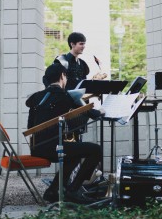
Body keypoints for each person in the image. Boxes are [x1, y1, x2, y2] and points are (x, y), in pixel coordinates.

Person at [27, 63, 104, 204]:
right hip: (52, 148)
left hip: (36, 147)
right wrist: (101, 111)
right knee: (96, 150)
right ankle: (73, 190)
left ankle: (52, 191)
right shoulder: (65, 96)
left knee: (74, 153)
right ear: (62, 76)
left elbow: (30, 126)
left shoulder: (36, 97)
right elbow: (92, 113)